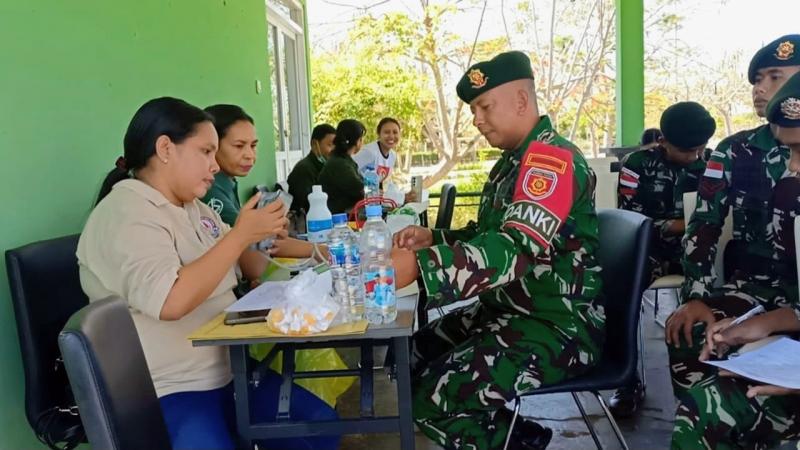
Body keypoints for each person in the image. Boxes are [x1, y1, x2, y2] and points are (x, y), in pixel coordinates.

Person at [76, 97, 339, 450]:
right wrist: (241, 234)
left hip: (230, 371)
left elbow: (251, 264)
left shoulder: (194, 208)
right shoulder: (125, 214)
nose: (214, 165)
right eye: (205, 151)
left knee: (319, 425)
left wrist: (282, 253)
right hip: (170, 388)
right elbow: (171, 300)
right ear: (165, 148)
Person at [391, 51, 604, 450]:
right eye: (474, 109)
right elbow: (487, 232)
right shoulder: (512, 164)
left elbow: (515, 247)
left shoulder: (551, 162)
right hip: (508, 311)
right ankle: (518, 437)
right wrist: (434, 240)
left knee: (433, 396)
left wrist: (421, 266)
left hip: (557, 325)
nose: (476, 119)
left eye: (483, 106)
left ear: (521, 101)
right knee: (411, 354)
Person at [666, 35, 800, 402]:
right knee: (689, 328)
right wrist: (697, 297)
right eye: (757, 79)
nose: (760, 88)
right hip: (752, 289)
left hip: (797, 301)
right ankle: (700, 415)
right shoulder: (735, 150)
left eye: (775, 76)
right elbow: (704, 226)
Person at [611, 102, 716, 417]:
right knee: (620, 295)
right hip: (649, 249)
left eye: (700, 150)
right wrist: (681, 224)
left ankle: (706, 381)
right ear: (664, 141)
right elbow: (630, 219)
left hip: (693, 251)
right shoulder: (636, 165)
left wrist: (692, 228)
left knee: (716, 291)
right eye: (688, 151)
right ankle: (626, 380)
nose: (695, 158)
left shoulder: (710, 165)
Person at [201, 104, 257, 226]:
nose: (250, 155)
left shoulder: (227, 180)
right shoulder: (208, 186)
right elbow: (245, 232)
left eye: (253, 146)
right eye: (239, 146)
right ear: (212, 145)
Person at [318, 119, 366, 214]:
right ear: (357, 141)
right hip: (337, 217)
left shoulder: (342, 160)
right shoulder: (339, 164)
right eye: (361, 139)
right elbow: (360, 190)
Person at [287, 123, 336, 213]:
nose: (333, 150)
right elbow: (307, 206)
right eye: (330, 145)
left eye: (335, 146)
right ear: (314, 144)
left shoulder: (323, 167)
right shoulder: (304, 170)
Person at [353, 117, 401, 183]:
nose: (391, 136)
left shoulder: (393, 155)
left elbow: (381, 183)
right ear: (379, 134)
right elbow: (347, 171)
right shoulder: (369, 152)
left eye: (395, 132)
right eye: (387, 132)